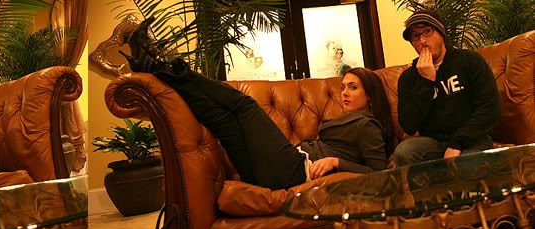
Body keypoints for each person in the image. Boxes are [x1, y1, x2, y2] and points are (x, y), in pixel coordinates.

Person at [122, 18, 393, 191]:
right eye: (343, 86)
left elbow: (379, 174)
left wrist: (336, 162)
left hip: (294, 173)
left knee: (245, 106)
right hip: (277, 171)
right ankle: (156, 68)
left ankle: (167, 68)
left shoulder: (368, 126)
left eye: (353, 87)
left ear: (370, 95)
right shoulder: (345, 119)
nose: (344, 92)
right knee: (223, 121)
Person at [394, 9, 499, 166]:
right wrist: (426, 82)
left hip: (472, 138)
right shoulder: (408, 78)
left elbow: (490, 108)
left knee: (466, 164)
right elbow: (408, 126)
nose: (422, 40)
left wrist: (457, 143)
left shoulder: (469, 61)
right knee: (404, 152)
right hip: (434, 142)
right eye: (416, 36)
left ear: (441, 33)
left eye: (427, 31)